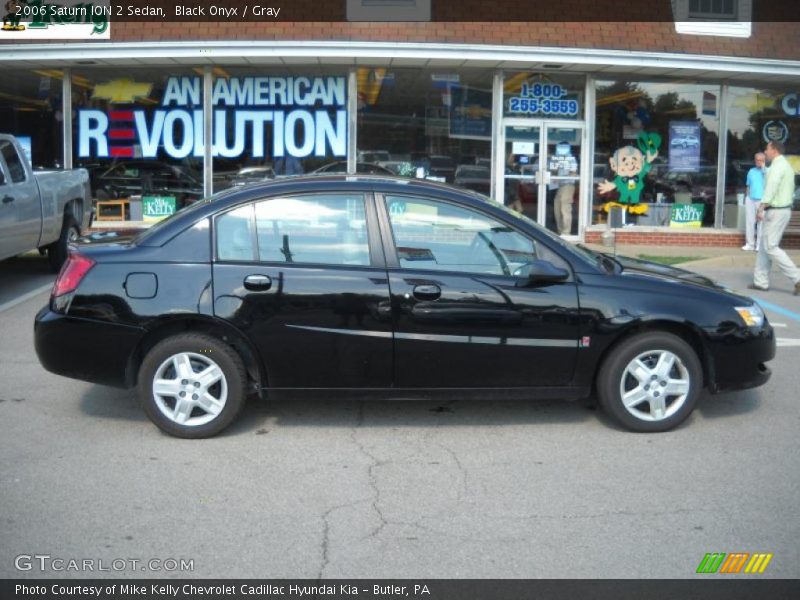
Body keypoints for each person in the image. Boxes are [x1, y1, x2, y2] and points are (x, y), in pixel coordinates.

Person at [750, 140, 800, 294]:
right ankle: (761, 282)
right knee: (765, 248)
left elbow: (772, 186)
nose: (765, 152)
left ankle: (797, 277)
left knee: (770, 246)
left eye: (767, 149)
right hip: (780, 210)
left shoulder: (779, 166)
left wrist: (762, 206)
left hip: (777, 210)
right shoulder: (783, 165)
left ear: (774, 150)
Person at [550, 142, 578, 235]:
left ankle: (566, 232)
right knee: (557, 207)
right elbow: (554, 171)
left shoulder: (571, 159)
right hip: (560, 186)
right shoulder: (557, 159)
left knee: (565, 209)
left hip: (568, 185)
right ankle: (560, 231)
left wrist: (562, 176)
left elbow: (573, 173)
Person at [742, 152, 766, 251]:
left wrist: (764, 167)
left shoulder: (767, 171)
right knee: (749, 222)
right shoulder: (751, 171)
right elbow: (748, 185)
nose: (758, 162)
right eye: (757, 160)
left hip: (762, 200)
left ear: (764, 161)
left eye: (760, 160)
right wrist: (747, 197)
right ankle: (750, 244)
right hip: (750, 199)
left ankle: (759, 245)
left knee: (761, 223)